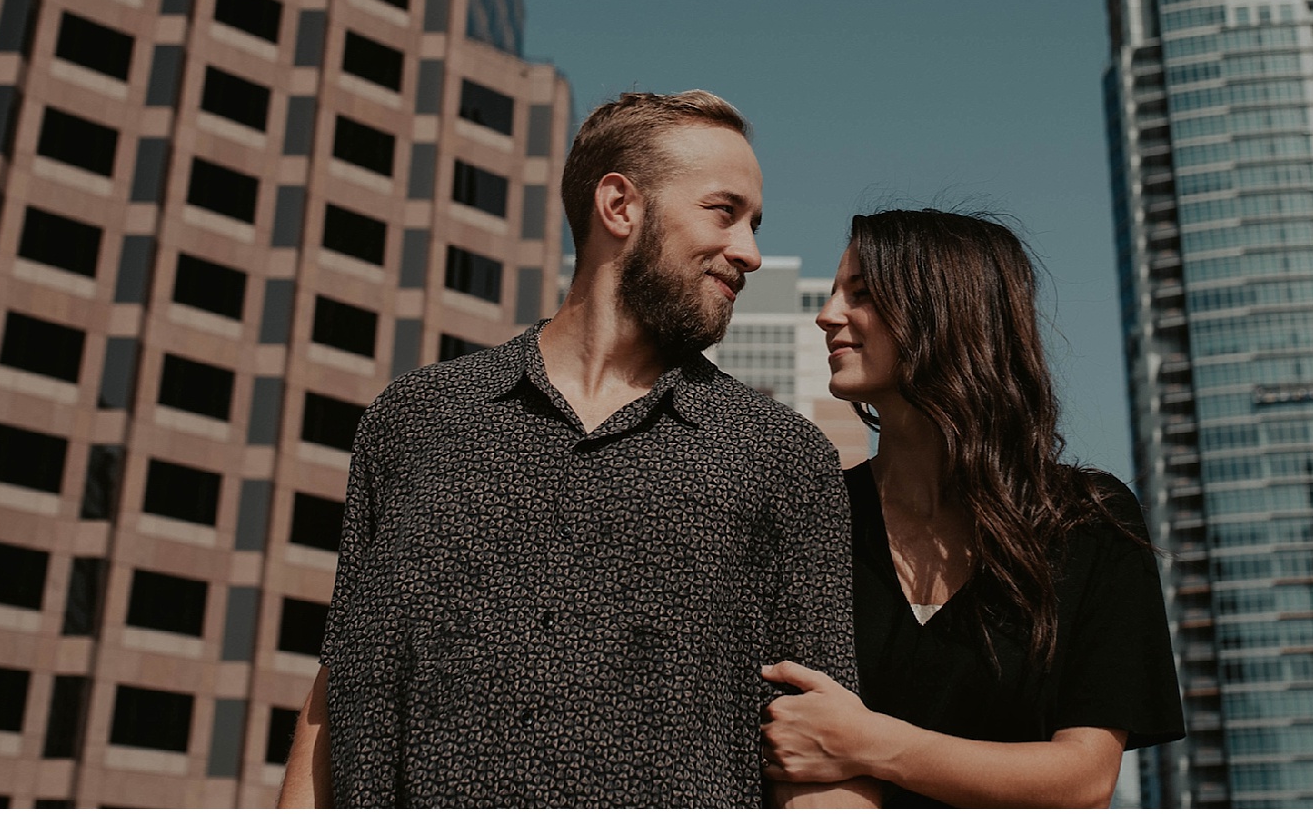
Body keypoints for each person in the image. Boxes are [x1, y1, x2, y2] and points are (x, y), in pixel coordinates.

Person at [279, 91, 874, 808]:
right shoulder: (412, 420)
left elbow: (824, 768)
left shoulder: (784, 458)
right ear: (619, 206)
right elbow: (337, 689)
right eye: (725, 211)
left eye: (754, 224)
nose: (749, 251)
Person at [759, 209, 1184, 807]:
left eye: (862, 294)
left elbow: (1084, 780)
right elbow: (795, 753)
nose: (827, 315)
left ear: (946, 310)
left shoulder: (1089, 519)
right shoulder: (808, 518)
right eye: (833, 294)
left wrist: (875, 744)